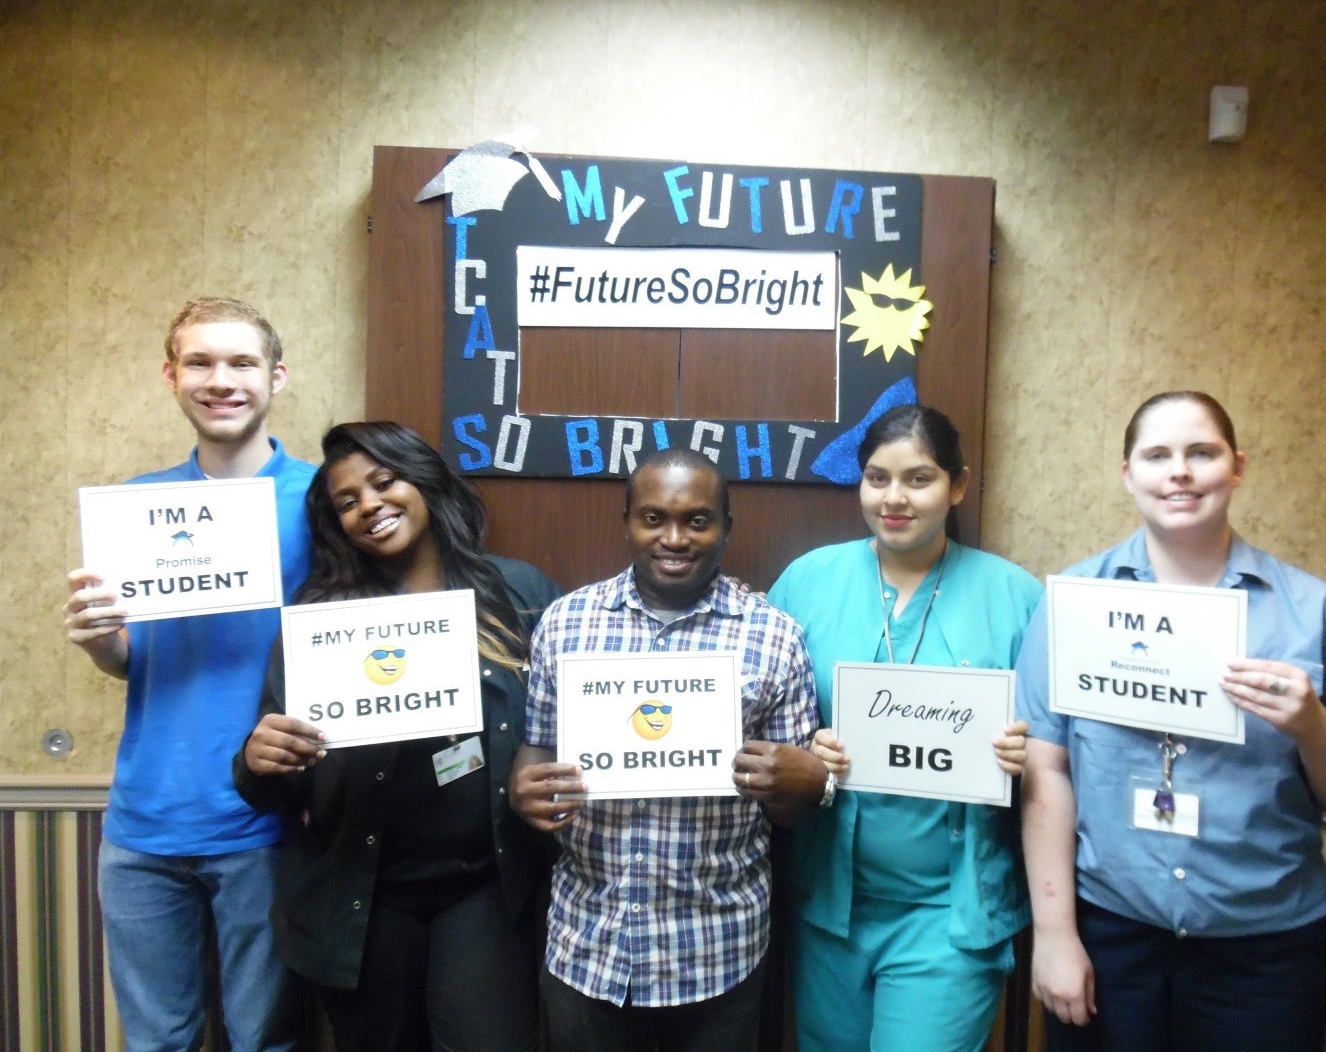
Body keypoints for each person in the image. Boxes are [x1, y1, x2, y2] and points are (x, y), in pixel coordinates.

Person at [1017, 391, 1326, 1052]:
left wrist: (1313, 726)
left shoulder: (1316, 612)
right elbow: (1045, 769)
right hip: (1111, 936)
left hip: (1266, 954)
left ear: (1237, 467)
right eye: (1158, 455)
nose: (1180, 472)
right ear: (1128, 474)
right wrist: (1054, 936)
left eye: (1202, 452)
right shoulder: (1073, 604)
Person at [232, 421, 558, 1052]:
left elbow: (568, 726)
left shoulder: (518, 594)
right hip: (362, 894)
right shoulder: (321, 621)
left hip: (483, 885)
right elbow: (277, 783)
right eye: (347, 502)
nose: (369, 507)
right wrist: (259, 759)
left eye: (384, 482)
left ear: (425, 481)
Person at [509, 447, 830, 1052]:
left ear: (726, 529)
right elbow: (535, 753)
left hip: (718, 950)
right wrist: (524, 792)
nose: (674, 538)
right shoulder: (564, 623)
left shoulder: (775, 636)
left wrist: (797, 784)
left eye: (698, 521)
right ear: (627, 520)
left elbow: (793, 808)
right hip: (588, 943)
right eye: (653, 518)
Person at [61, 296, 312, 1052]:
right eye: (200, 362)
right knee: (157, 1041)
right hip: (143, 821)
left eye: (241, 362)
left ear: (277, 376)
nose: (221, 379)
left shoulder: (327, 499)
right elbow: (132, 657)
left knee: (263, 1040)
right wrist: (96, 643)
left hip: (265, 822)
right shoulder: (135, 506)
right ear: (171, 376)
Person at [765, 403, 1041, 1052]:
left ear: (958, 486)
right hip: (830, 910)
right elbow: (760, 717)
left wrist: (1027, 753)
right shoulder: (807, 582)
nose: (894, 498)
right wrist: (803, 751)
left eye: (918, 479)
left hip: (951, 917)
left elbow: (1065, 751)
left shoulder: (1016, 597)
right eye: (876, 478)